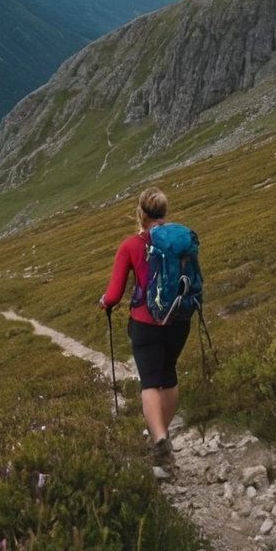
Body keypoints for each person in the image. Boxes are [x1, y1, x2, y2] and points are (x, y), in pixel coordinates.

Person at [98, 186, 191, 462]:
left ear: (140, 213)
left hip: (146, 323)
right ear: (164, 212)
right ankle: (162, 434)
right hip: (179, 319)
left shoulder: (131, 245)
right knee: (169, 374)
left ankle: (160, 439)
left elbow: (114, 295)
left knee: (150, 382)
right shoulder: (180, 240)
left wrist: (104, 302)